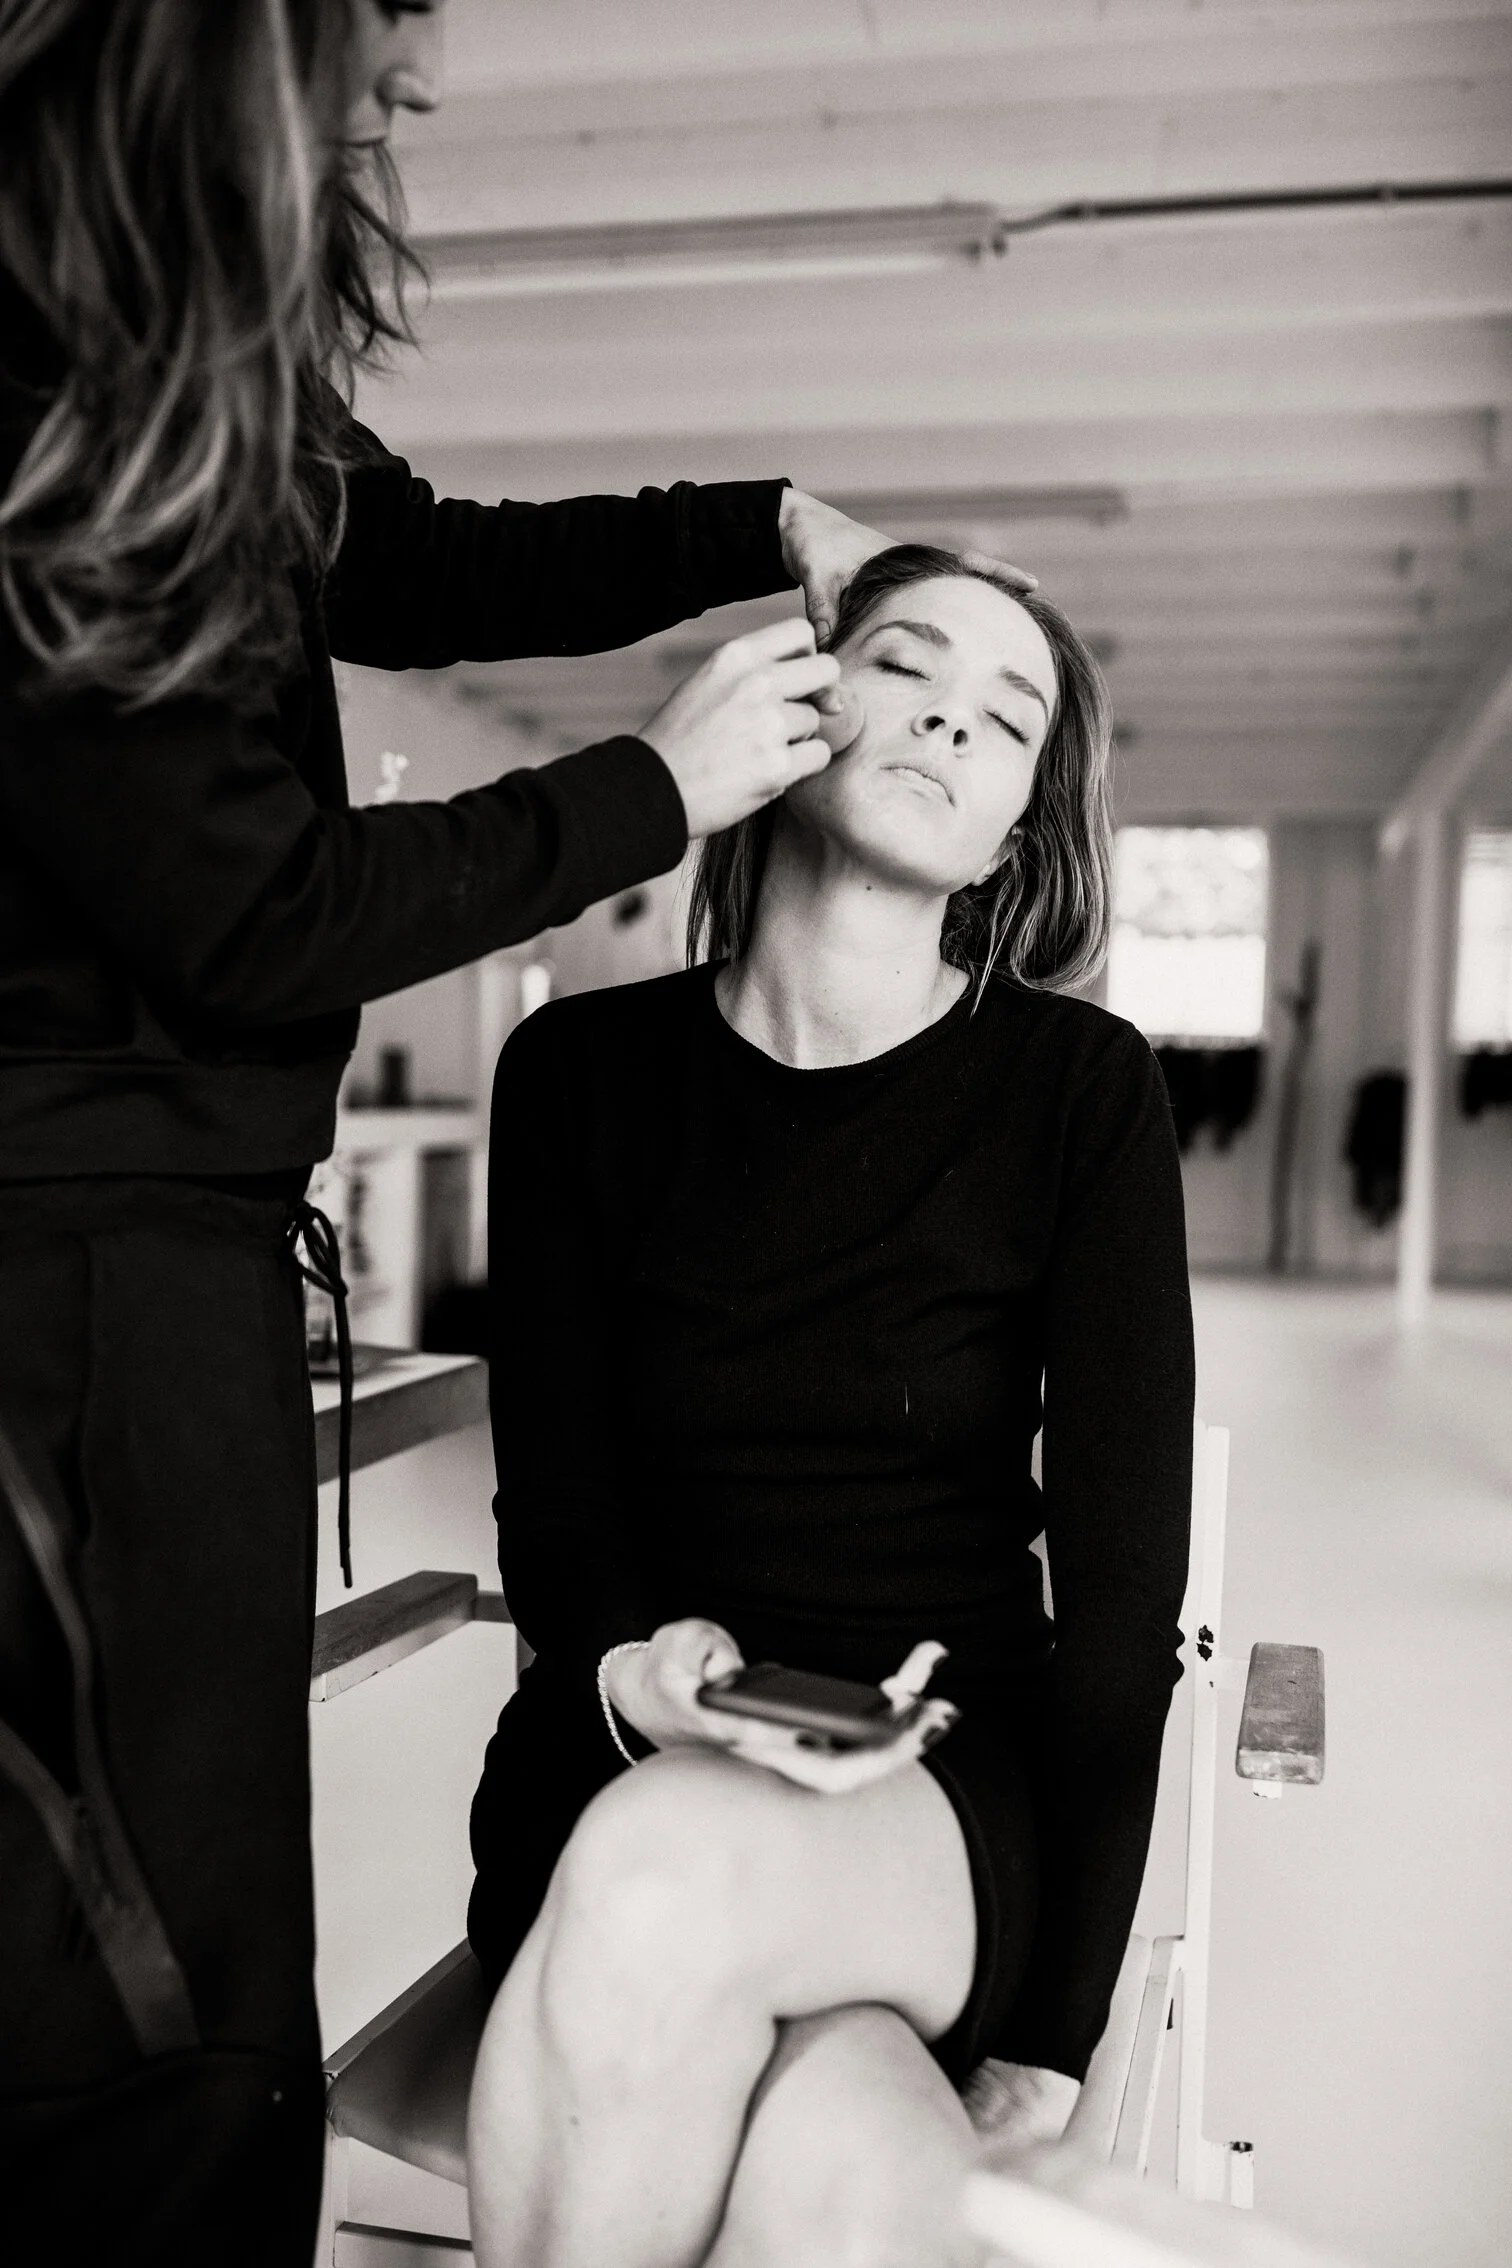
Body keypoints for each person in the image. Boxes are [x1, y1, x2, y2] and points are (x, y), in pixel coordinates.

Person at [0, 6, 972, 2262]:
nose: (391, 124)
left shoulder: (189, 378)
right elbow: (256, 913)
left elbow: (424, 560)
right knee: (140, 1999)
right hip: (74, 1306)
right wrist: (649, 788)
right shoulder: (51, 395)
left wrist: (757, 525)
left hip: (170, 1271)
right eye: (366, 80)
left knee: (184, 1949)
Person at [465, 545, 1196, 2268]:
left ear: (1009, 835)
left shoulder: (1078, 1092)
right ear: (793, 715)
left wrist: (1058, 2027)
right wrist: (630, 1672)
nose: (948, 719)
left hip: (934, 1791)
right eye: (907, 666)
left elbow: (1119, 1603)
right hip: (631, 1745)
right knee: (838, 2171)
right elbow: (557, 1502)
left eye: (1002, 720)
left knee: (660, 1888)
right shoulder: (574, 1075)